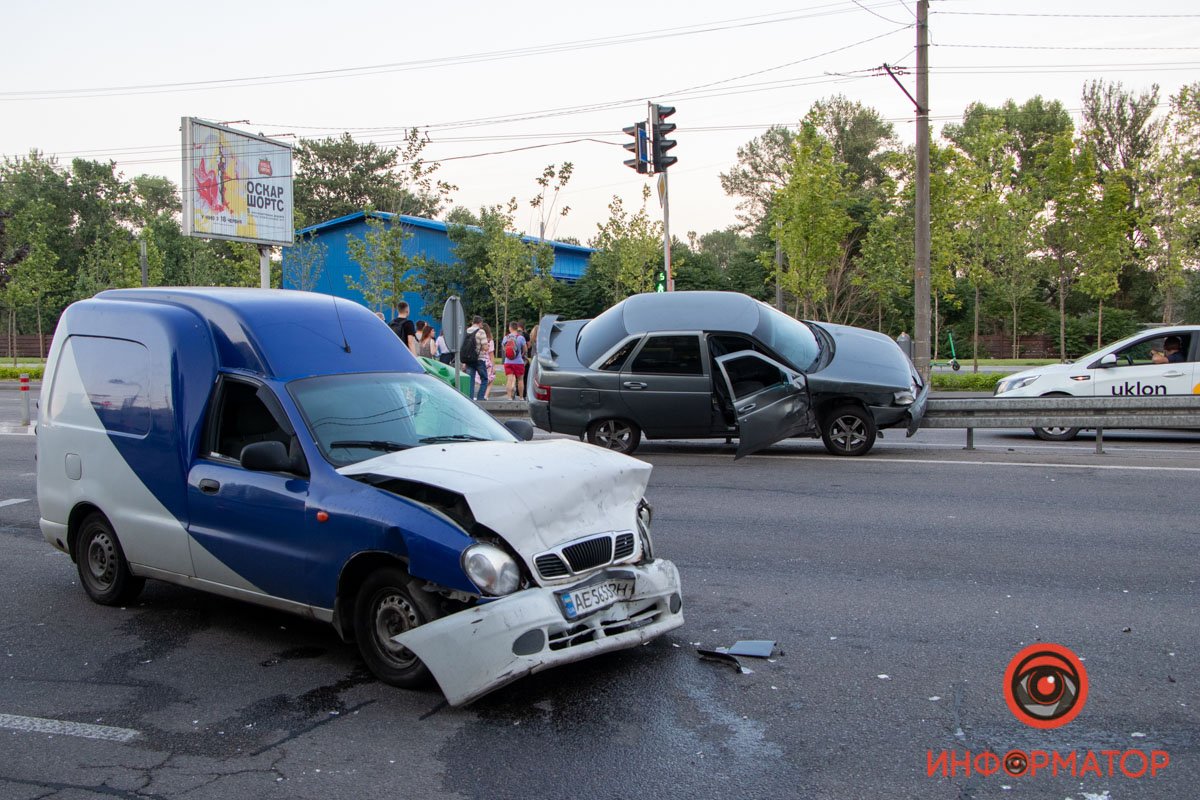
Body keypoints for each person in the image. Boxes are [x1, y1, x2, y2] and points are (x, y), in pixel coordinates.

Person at [463, 315, 490, 401]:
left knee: (471, 380)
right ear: (480, 323)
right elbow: (485, 347)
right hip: (479, 359)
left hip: (468, 359)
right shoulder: (481, 331)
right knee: (484, 379)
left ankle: (470, 399)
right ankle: (480, 397)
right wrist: (486, 346)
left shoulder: (466, 331)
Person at [500, 321, 527, 400]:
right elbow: (525, 349)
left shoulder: (506, 337)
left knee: (509, 379)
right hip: (519, 362)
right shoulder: (521, 338)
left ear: (510, 328)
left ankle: (509, 397)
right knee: (520, 380)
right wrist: (521, 355)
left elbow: (504, 349)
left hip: (508, 362)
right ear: (517, 328)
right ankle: (521, 397)